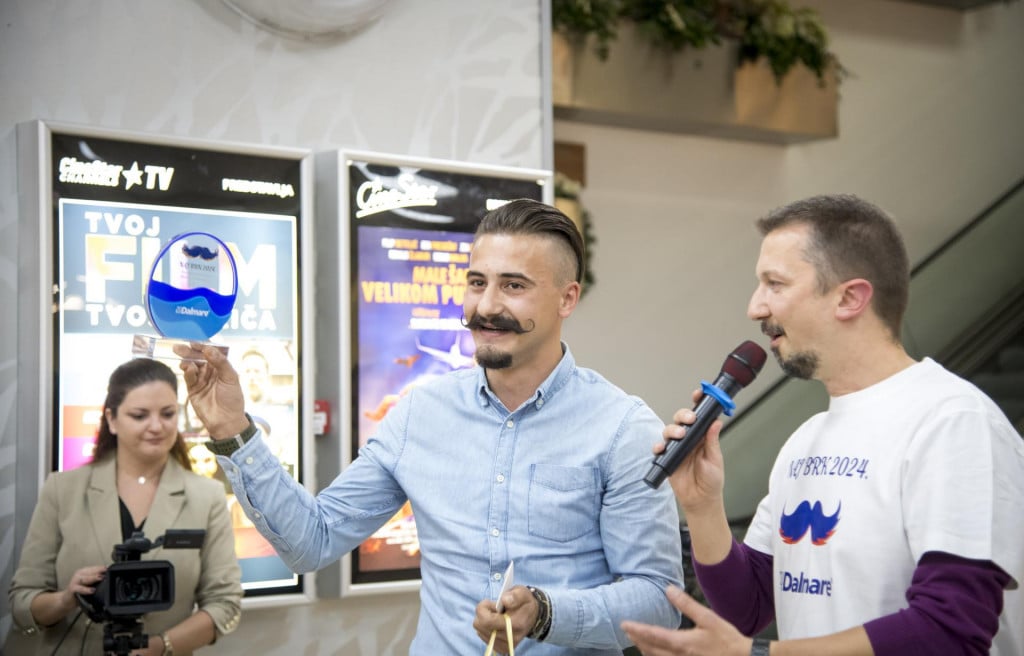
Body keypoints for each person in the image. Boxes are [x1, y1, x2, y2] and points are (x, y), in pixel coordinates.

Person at [179, 198, 685, 654]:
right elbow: (314, 539)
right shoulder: (419, 414)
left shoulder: (622, 427)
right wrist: (233, 430)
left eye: (514, 286)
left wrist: (547, 613)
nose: (486, 307)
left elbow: (657, 600)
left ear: (567, 299)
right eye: (477, 282)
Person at [622, 194, 1024, 655]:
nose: (755, 307)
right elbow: (749, 607)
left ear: (850, 298)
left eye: (775, 284)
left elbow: (952, 629)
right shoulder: (806, 439)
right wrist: (702, 505)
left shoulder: (954, 423)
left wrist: (757, 654)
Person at [9, 358, 243, 656]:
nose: (156, 426)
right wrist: (68, 598)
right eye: (139, 415)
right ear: (112, 419)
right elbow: (21, 603)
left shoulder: (207, 496)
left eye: (168, 414)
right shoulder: (63, 490)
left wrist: (160, 647)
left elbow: (225, 604)